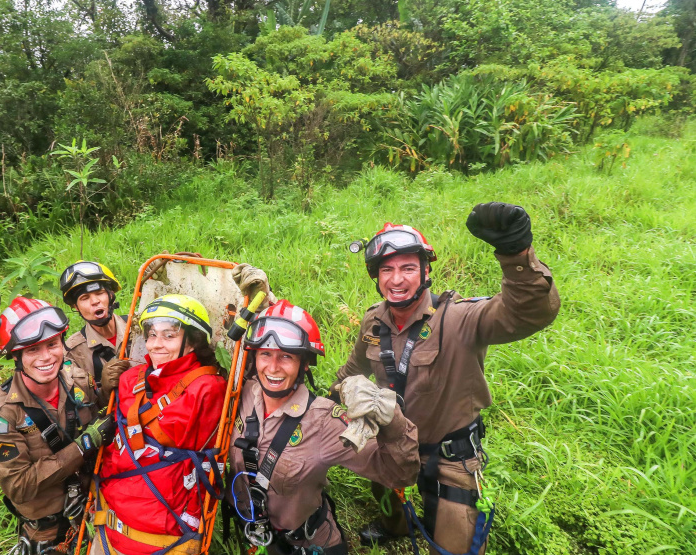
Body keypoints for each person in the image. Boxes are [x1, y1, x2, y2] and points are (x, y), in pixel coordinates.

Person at [335, 203, 560, 554]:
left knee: (454, 546)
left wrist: (516, 254)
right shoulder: (373, 323)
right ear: (376, 277)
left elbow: (528, 312)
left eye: (408, 268)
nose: (396, 279)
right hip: (392, 443)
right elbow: (351, 371)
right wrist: (341, 393)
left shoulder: (459, 318)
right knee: (386, 497)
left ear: (426, 271)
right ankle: (394, 525)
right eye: (387, 270)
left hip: (450, 457)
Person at [228, 299, 421, 555]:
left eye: (286, 356)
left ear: (305, 363)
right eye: (265, 354)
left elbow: (400, 475)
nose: (272, 368)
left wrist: (392, 420)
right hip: (251, 532)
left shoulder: (325, 421)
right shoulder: (243, 391)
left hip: (304, 544)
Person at [0, 297, 115, 555]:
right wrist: (84, 445)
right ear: (16, 356)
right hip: (50, 530)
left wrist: (107, 390)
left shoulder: (78, 379)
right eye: (32, 350)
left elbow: (105, 417)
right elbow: (19, 485)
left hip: (97, 507)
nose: (46, 357)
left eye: (52, 344)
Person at [91, 294, 227, 555]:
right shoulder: (131, 378)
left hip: (165, 532)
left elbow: (209, 462)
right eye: (152, 335)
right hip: (110, 519)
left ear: (193, 342)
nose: (155, 345)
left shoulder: (207, 389)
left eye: (169, 335)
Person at [59, 261, 128, 400]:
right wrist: (104, 390)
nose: (95, 301)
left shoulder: (138, 326)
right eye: (84, 298)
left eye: (99, 293)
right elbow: (83, 410)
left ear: (111, 295)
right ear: (76, 307)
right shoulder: (72, 353)